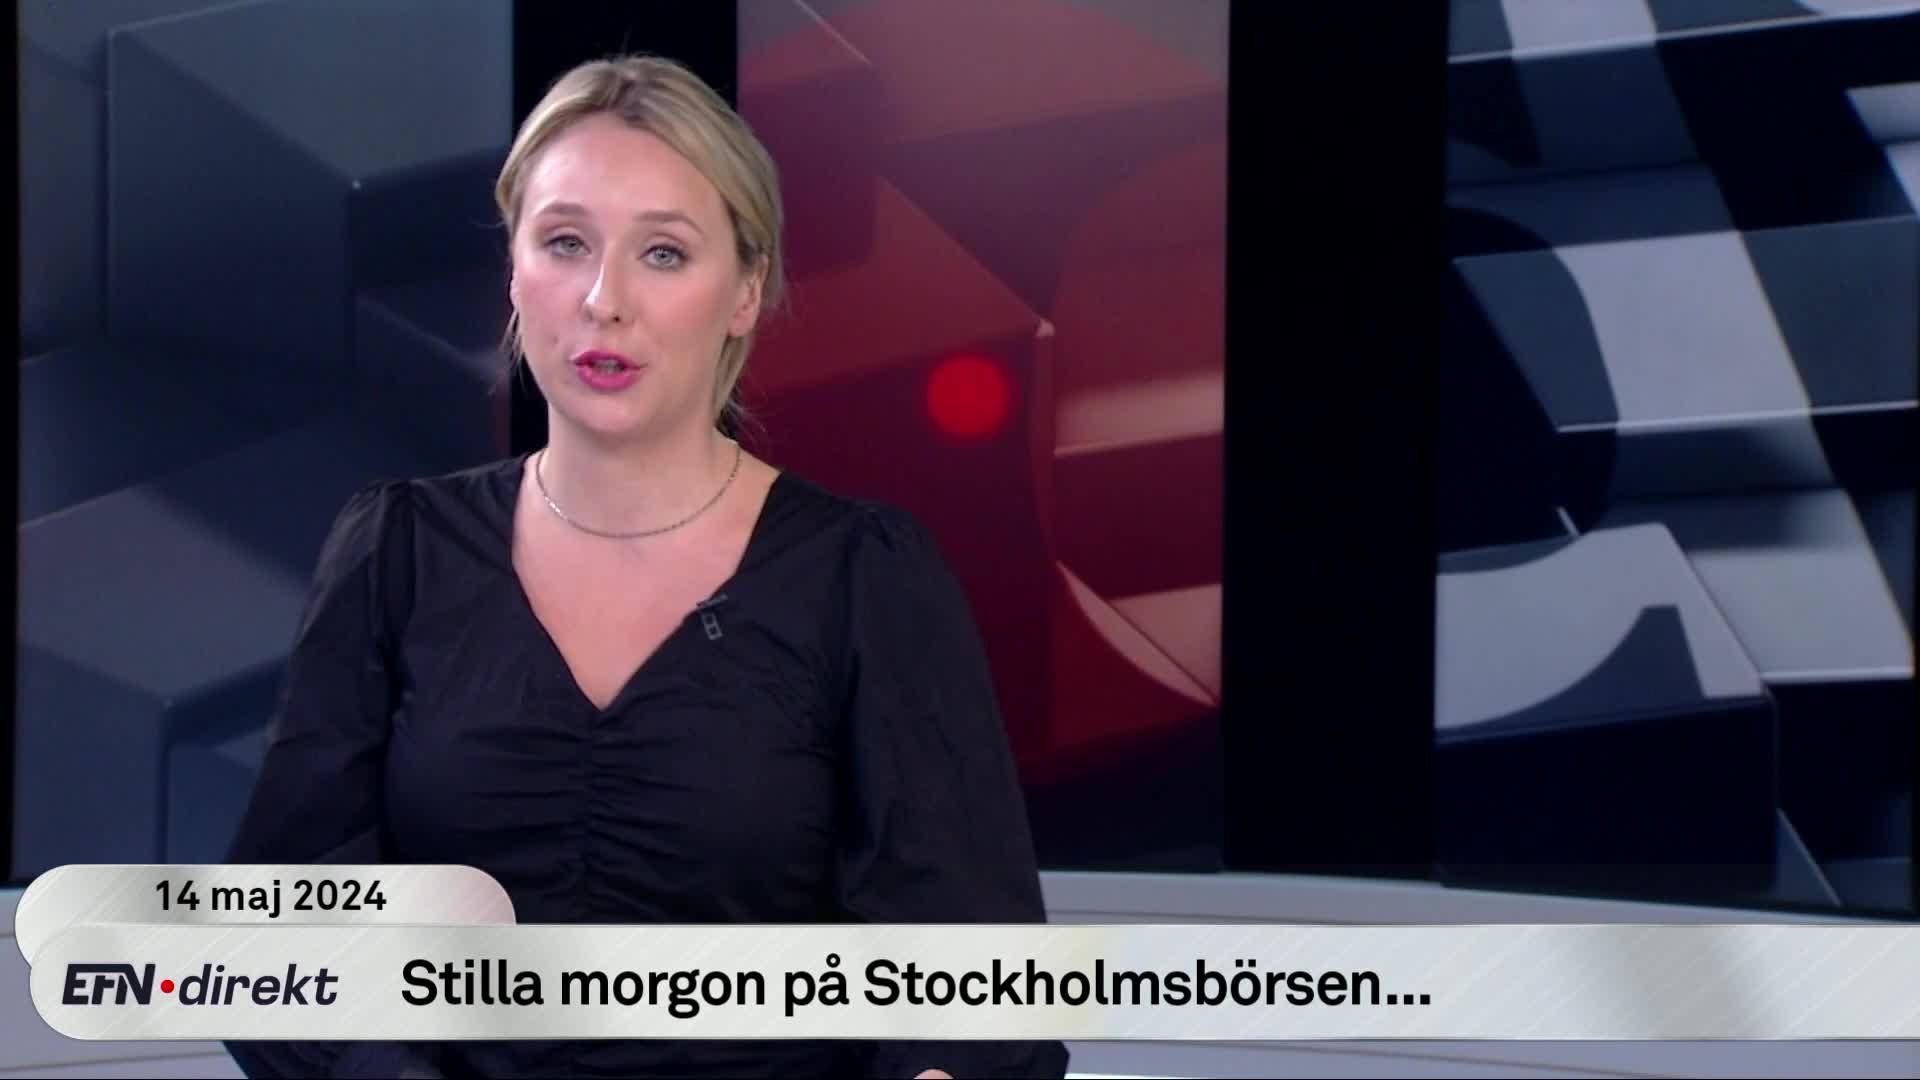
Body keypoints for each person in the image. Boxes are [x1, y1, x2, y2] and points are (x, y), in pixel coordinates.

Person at [224, 54, 1067, 1079]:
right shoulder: (396, 552)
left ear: (745, 290)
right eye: (565, 243)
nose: (604, 300)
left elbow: (977, 984)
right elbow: (282, 941)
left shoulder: (865, 577)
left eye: (663, 253)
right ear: (514, 272)